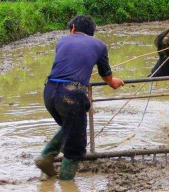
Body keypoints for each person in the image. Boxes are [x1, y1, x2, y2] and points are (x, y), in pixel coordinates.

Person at [35, 15, 124, 180]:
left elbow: (66, 66)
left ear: (73, 28)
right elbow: (107, 77)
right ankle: (65, 183)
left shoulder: (62, 41)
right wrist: (114, 82)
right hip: (71, 94)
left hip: (49, 91)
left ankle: (47, 157)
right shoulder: (99, 45)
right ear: (92, 33)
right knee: (76, 145)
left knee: (70, 127)